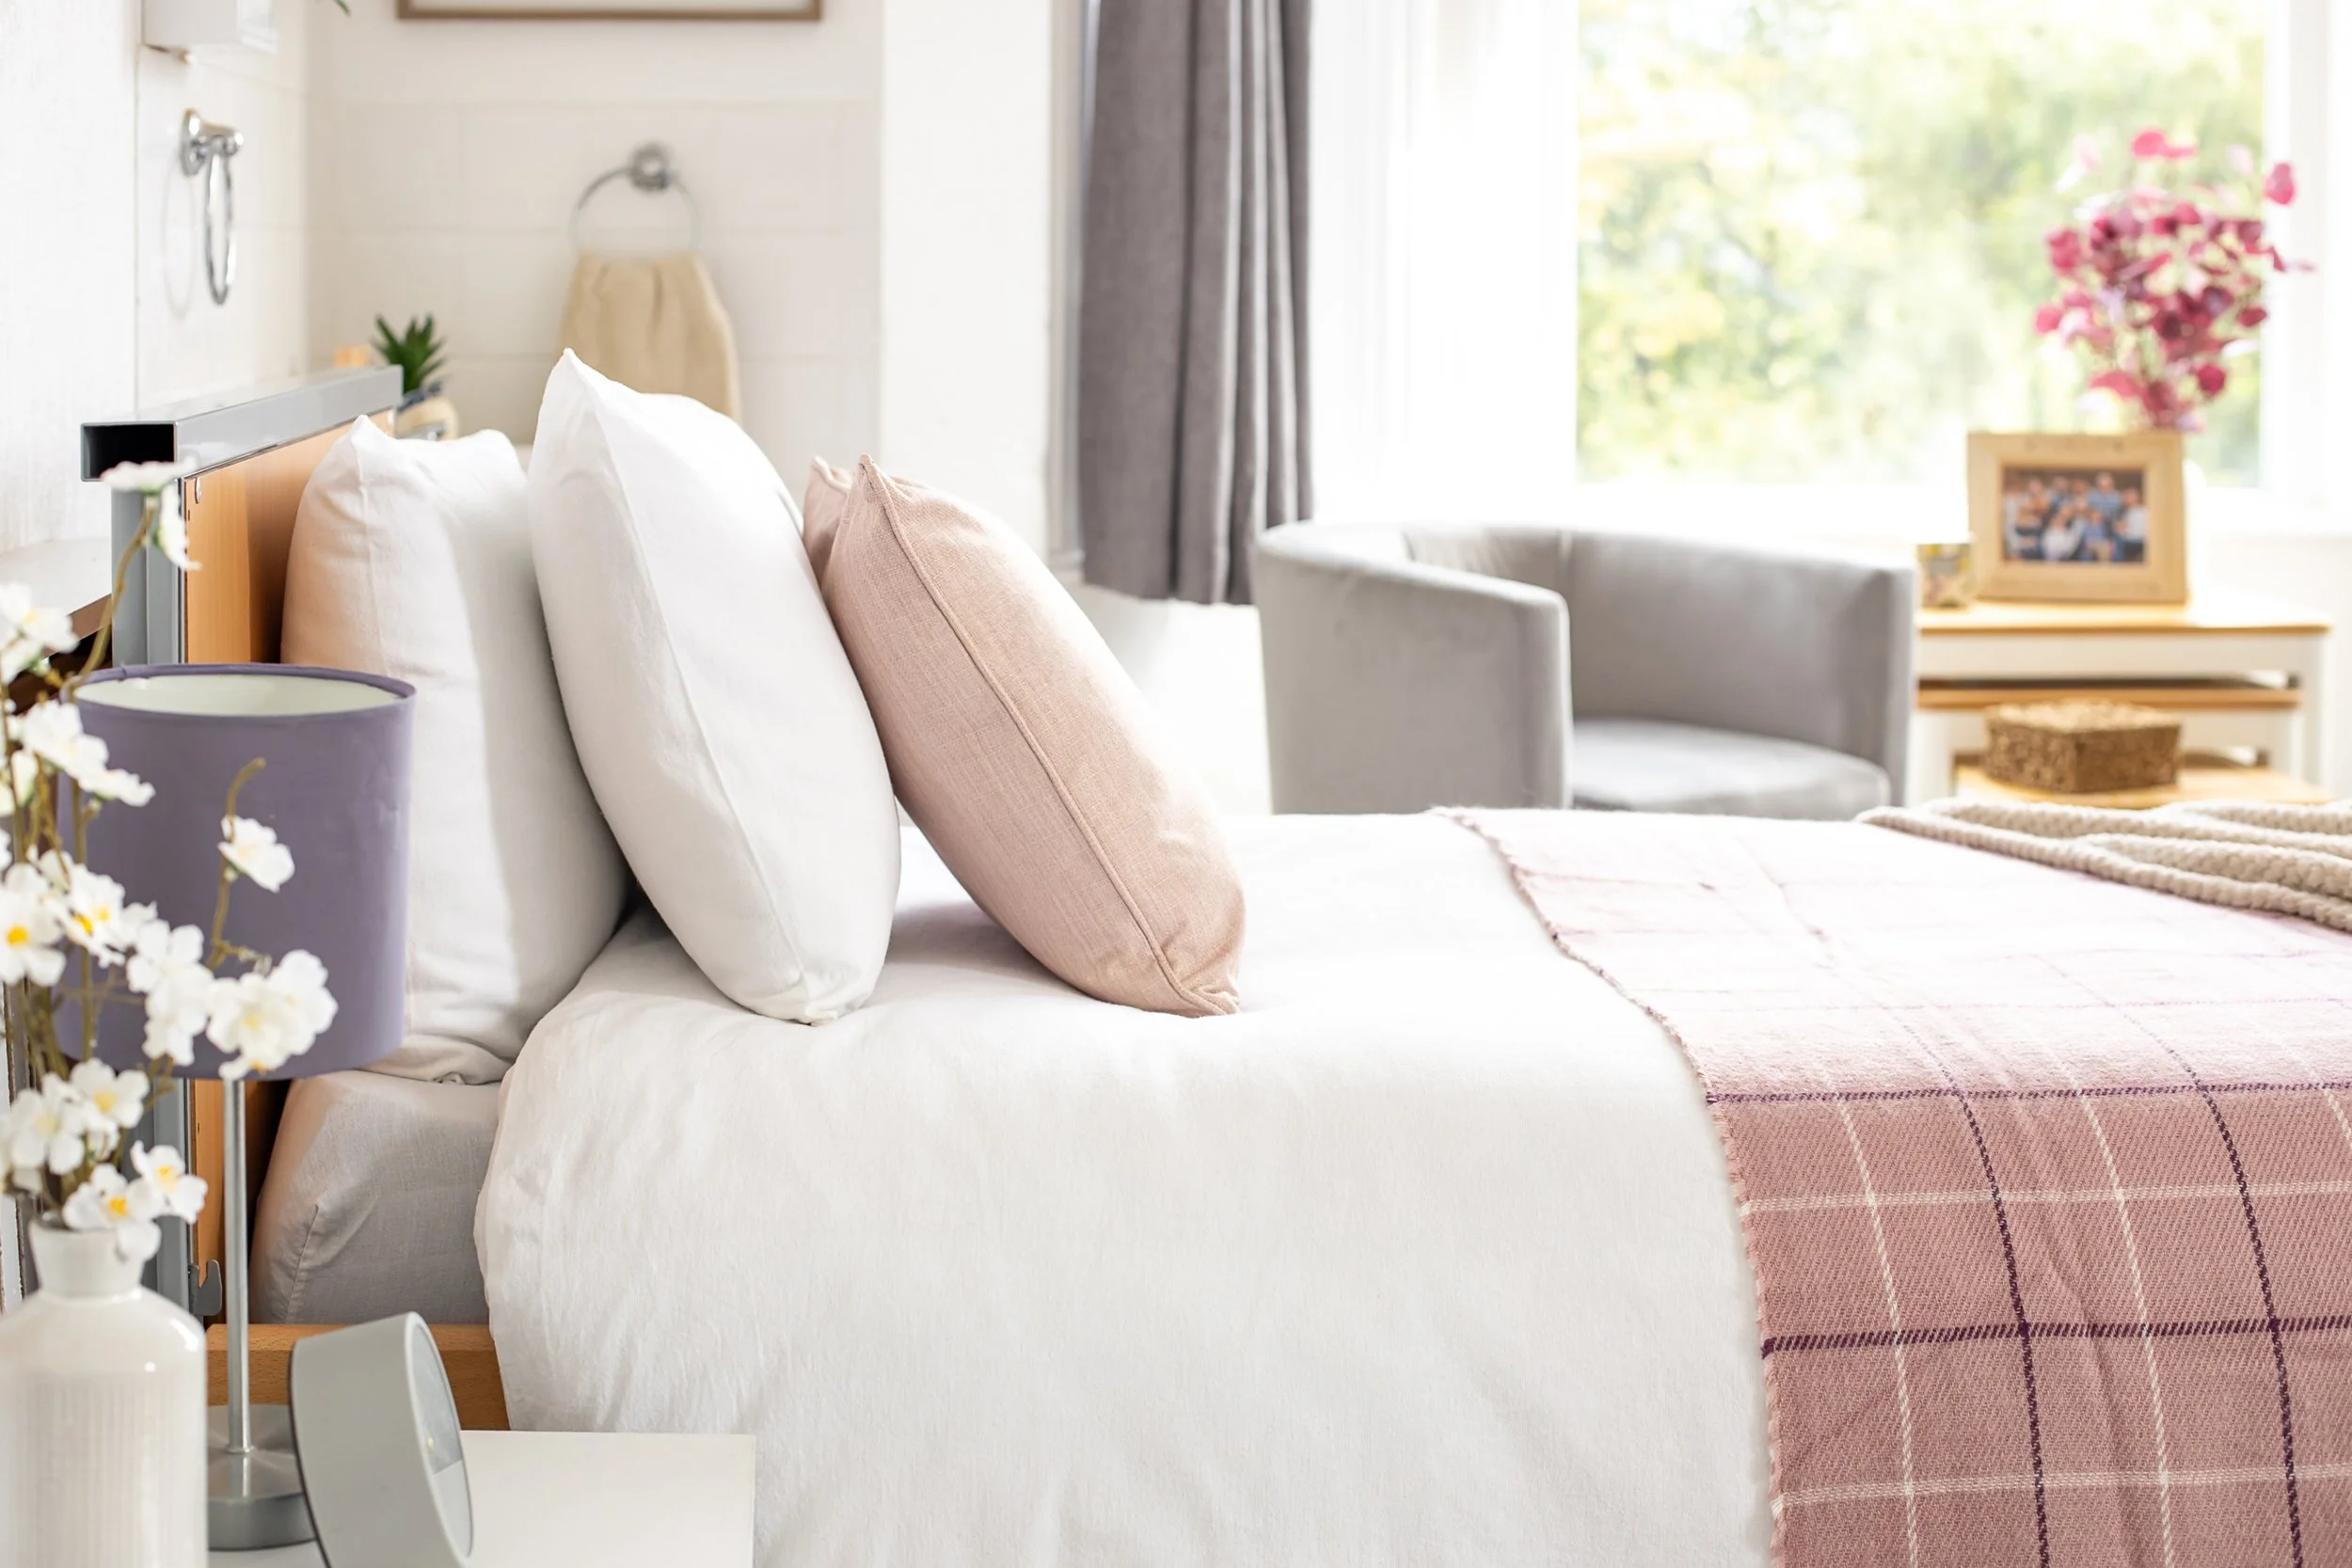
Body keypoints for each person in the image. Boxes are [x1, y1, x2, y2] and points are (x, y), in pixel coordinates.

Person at [2116, 487, 2149, 563]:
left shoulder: (2140, 512)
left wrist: (2122, 529)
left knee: (2117, 540)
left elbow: (2137, 532)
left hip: (2139, 539)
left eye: (2128, 497)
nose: (2125, 499)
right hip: (2130, 537)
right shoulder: (2127, 512)